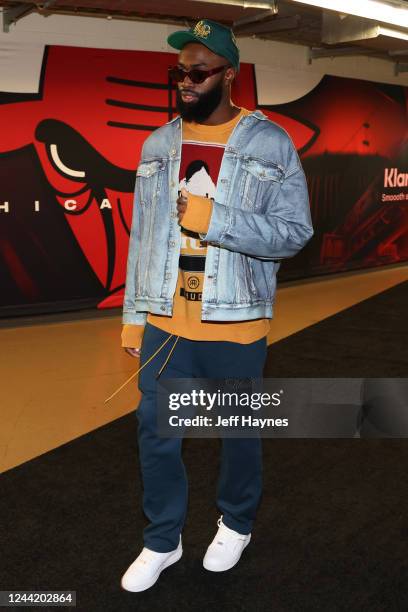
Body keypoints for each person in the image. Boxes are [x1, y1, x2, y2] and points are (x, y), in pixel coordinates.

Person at [120, 18, 314, 592]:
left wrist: (216, 221)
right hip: (164, 323)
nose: (186, 81)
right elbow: (144, 236)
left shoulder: (270, 143)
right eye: (180, 72)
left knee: (236, 434)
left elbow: (294, 232)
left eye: (199, 71)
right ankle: (162, 540)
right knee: (155, 433)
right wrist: (134, 315)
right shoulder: (158, 144)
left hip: (236, 322)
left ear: (228, 74)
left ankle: (236, 522)